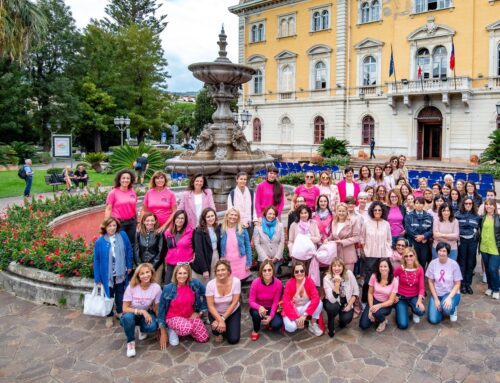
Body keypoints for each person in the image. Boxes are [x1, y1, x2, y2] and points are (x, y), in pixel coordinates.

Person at [93, 217, 133, 328]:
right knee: (108, 295)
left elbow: (129, 249)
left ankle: (120, 312)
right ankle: (109, 315)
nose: (112, 228)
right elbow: (96, 260)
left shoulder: (123, 235)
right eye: (109, 226)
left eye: (114, 225)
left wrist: (129, 265)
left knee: (120, 293)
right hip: (107, 274)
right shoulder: (100, 242)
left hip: (120, 272)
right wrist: (97, 278)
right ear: (105, 227)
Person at [158, 264, 209, 348]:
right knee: (187, 328)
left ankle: (187, 327)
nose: (182, 276)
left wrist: (200, 312)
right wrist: (163, 332)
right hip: (172, 317)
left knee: (203, 338)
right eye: (180, 273)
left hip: (189, 315)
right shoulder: (168, 288)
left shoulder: (194, 283)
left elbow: (207, 294)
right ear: (175, 274)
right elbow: (161, 309)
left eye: (185, 273)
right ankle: (172, 329)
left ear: (188, 274)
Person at [120, 263, 161, 357]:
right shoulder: (131, 287)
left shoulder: (156, 288)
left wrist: (160, 326)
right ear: (138, 275)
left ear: (152, 273)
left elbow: (156, 308)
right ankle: (130, 342)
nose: (145, 275)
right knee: (128, 319)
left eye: (147, 272)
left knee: (152, 326)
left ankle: (140, 329)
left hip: (145, 315)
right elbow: (124, 308)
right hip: (131, 313)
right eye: (142, 273)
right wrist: (142, 311)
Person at [360, 201, 392, 303]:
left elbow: (389, 239)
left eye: (379, 210)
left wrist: (387, 250)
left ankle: (380, 300)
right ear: (372, 211)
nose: (377, 211)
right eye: (375, 210)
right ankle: (365, 301)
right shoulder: (366, 223)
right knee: (368, 280)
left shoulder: (386, 224)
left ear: (382, 211)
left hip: (383, 256)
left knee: (381, 279)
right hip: (370, 255)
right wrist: (365, 249)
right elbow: (362, 238)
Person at [282, 261, 323, 336]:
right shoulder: (289, 284)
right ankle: (298, 322)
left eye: (302, 271)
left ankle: (312, 323)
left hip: (304, 309)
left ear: (305, 271)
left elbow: (316, 298)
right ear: (293, 273)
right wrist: (296, 318)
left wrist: (304, 315)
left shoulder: (309, 281)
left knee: (319, 302)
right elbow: (286, 303)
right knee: (290, 328)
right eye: (296, 271)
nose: (299, 273)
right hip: (293, 310)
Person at [206, 260, 242, 344]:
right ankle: (220, 328)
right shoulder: (210, 285)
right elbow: (210, 306)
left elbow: (234, 302)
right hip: (216, 313)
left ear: (228, 271)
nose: (220, 272)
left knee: (233, 339)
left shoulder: (236, 282)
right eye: (218, 270)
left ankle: (226, 325)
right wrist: (219, 319)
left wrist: (222, 319)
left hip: (232, 311)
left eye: (223, 270)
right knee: (217, 331)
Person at [426, 242, 462, 324]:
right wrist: (435, 299)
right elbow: (430, 282)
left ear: (448, 253)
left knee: (447, 309)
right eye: (440, 250)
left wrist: (449, 298)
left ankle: (452, 309)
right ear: (437, 251)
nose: (441, 253)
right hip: (437, 294)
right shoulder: (432, 263)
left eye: (444, 251)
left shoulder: (454, 264)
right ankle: (441, 308)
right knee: (433, 320)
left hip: (451, 293)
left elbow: (457, 284)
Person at [359, 258, 398, 332]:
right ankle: (377, 316)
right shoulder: (374, 276)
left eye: (385, 266)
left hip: (385, 304)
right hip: (374, 301)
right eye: (381, 266)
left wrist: (378, 306)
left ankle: (383, 321)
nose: (383, 269)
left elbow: (391, 300)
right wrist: (371, 308)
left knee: (376, 312)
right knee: (363, 325)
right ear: (378, 268)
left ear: (389, 268)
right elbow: (370, 293)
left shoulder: (394, 281)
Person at [248, 260, 284, 341]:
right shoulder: (255, 282)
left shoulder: (278, 283)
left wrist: (270, 317)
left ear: (273, 270)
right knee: (256, 314)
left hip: (271, 307)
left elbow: (275, 302)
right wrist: (259, 307)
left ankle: (268, 322)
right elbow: (251, 301)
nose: (267, 272)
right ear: (261, 271)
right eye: (264, 270)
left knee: (277, 325)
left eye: (269, 270)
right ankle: (255, 330)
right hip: (258, 308)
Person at [323, 258, 358, 337]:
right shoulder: (327, 278)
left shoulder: (349, 274)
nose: (337, 268)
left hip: (346, 302)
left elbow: (356, 291)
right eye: (334, 266)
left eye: (339, 266)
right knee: (332, 307)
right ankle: (331, 320)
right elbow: (332, 299)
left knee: (345, 320)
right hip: (332, 302)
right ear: (331, 267)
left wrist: (349, 305)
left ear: (343, 267)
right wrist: (337, 284)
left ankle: (341, 320)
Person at [288, 205, 322, 284]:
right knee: (298, 276)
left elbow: (318, 238)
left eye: (305, 213)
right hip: (297, 256)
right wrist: (291, 251)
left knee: (309, 276)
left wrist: (308, 238)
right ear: (298, 214)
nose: (303, 215)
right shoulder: (294, 225)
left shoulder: (313, 224)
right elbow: (290, 241)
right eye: (301, 213)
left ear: (309, 213)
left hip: (311, 255)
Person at [104, 169, 138, 247]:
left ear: (131, 180)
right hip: (119, 223)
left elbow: (134, 207)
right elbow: (108, 209)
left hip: (132, 222)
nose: (125, 180)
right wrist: (106, 224)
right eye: (123, 178)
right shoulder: (113, 192)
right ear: (119, 179)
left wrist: (137, 221)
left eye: (128, 178)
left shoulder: (132, 192)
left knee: (131, 243)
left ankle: (129, 259)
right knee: (120, 244)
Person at [394, 248, 425, 329]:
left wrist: (419, 300)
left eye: (411, 255)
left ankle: (414, 310)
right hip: (401, 297)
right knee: (403, 325)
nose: (409, 258)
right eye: (406, 256)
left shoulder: (419, 269)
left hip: (414, 296)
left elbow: (422, 287)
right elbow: (390, 280)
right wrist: (393, 295)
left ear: (414, 256)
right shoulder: (400, 268)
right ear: (403, 258)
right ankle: (401, 309)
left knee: (421, 311)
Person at [456, 197, 480, 295]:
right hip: (461, 241)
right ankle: (462, 285)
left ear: (473, 204)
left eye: (470, 203)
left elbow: (478, 229)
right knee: (462, 263)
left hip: (472, 242)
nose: (468, 205)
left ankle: (468, 284)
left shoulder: (477, 216)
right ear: (463, 204)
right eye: (466, 203)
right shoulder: (457, 215)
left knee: (470, 263)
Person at [220, 208, 252, 281]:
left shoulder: (242, 229)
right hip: (227, 263)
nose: (233, 217)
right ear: (227, 216)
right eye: (231, 214)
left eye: (235, 215)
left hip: (241, 263)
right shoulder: (221, 229)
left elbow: (248, 247)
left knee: (240, 284)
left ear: (238, 217)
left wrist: (248, 263)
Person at [164, 210, 194, 284]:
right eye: (178, 218)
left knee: (184, 286)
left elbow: (195, 246)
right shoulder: (167, 232)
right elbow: (165, 248)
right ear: (174, 219)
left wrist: (194, 255)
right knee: (168, 285)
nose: (180, 220)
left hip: (185, 264)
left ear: (185, 220)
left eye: (182, 218)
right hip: (171, 263)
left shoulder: (191, 231)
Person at [192, 207, 221, 284]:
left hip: (215, 255)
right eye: (208, 217)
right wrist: (204, 269)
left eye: (212, 216)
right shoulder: (199, 231)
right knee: (205, 282)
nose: (211, 218)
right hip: (205, 257)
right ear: (204, 218)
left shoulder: (217, 228)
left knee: (214, 280)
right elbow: (199, 251)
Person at [134, 213, 165, 283]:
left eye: (152, 220)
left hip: (156, 265)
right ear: (144, 222)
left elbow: (161, 251)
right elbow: (136, 250)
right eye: (147, 221)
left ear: (155, 221)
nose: (150, 223)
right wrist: (140, 266)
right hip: (142, 264)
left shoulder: (159, 233)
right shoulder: (138, 233)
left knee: (155, 286)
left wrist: (153, 266)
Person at [254, 206, 285, 274]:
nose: (271, 216)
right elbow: (257, 244)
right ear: (265, 214)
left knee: (274, 277)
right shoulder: (258, 227)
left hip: (276, 258)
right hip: (263, 259)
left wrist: (277, 257)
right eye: (269, 214)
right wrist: (265, 257)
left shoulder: (280, 226)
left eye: (273, 214)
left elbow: (282, 242)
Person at [479, 199, 500, 300]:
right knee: (487, 269)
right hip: (484, 247)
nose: (488, 206)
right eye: (486, 205)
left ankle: (496, 289)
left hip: (495, 248)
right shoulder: (482, 218)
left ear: (494, 206)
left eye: (491, 205)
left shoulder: (498, 218)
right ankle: (490, 287)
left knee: (493, 269)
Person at [227, 171, 257, 239]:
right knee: (238, 244)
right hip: (236, 224)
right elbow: (230, 210)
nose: (243, 181)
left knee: (247, 244)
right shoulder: (232, 194)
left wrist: (255, 220)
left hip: (249, 224)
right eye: (241, 179)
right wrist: (239, 222)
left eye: (244, 179)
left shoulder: (252, 193)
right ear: (237, 180)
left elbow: (255, 208)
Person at [405, 197, 433, 269]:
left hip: (424, 244)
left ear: (423, 205)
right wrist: (418, 237)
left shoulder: (429, 216)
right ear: (414, 204)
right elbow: (408, 229)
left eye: (421, 203)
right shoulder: (409, 216)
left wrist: (424, 236)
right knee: (413, 262)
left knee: (423, 263)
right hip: (413, 243)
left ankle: (422, 279)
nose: (419, 205)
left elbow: (431, 230)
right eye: (417, 203)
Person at [331, 203, 360, 272]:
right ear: (336, 211)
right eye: (339, 211)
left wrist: (343, 242)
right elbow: (334, 235)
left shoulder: (353, 222)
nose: (341, 213)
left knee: (348, 277)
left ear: (347, 211)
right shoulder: (334, 222)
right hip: (337, 254)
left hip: (348, 254)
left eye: (343, 211)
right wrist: (327, 239)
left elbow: (357, 237)